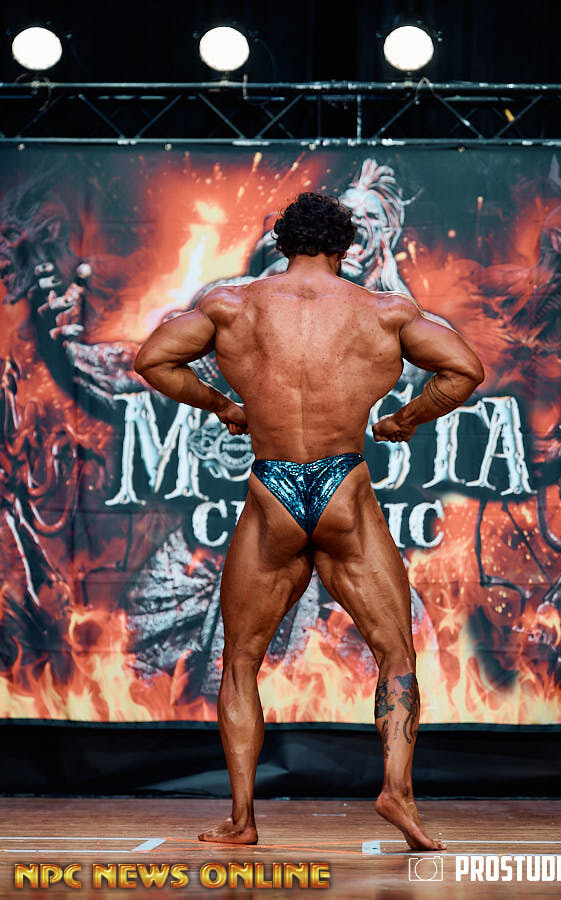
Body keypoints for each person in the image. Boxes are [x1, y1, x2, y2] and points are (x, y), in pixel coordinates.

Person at [134, 191, 484, 851]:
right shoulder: (383, 312)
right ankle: (397, 792)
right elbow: (465, 369)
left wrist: (222, 405)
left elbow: (152, 359)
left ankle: (242, 820)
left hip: (272, 489)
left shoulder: (231, 305)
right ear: (345, 249)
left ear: (281, 244)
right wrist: (405, 419)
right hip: (342, 486)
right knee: (394, 652)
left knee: (240, 661)